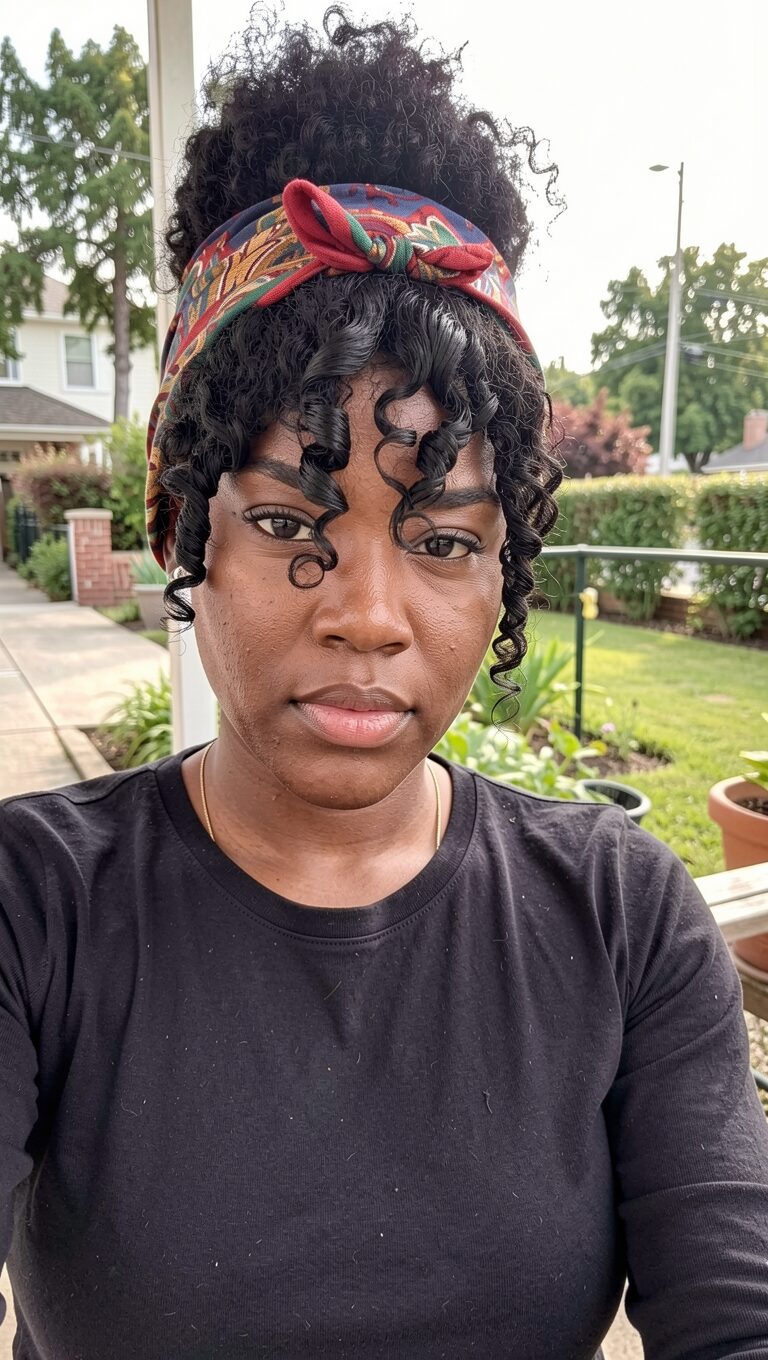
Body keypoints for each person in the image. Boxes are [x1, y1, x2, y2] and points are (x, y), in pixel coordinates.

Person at [1, 8, 767, 1358]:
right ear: (180, 528)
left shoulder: (621, 918)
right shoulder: (36, 911)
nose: (368, 616)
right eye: (289, 522)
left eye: (444, 542)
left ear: (504, 565)